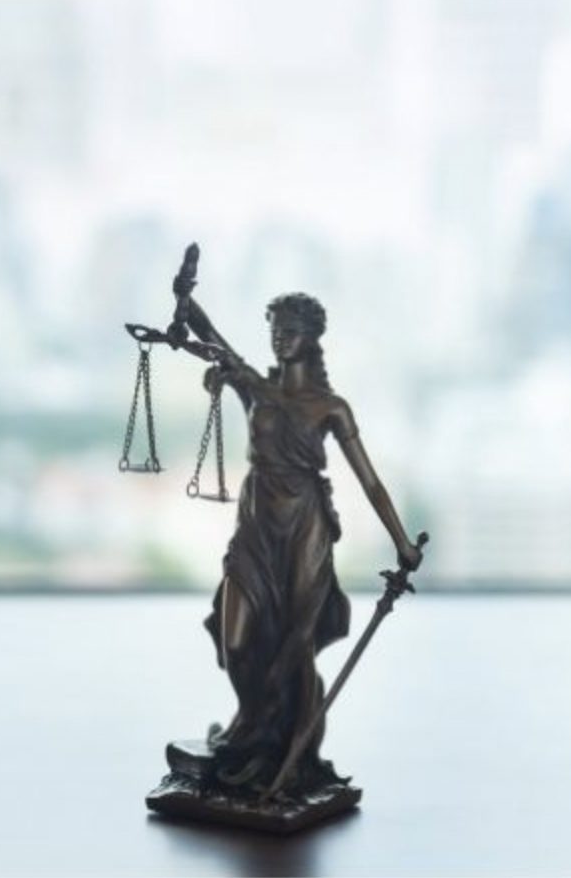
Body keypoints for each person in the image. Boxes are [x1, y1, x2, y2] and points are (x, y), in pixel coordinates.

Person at [172, 284, 423, 796]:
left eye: (290, 332)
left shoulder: (332, 407)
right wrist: (185, 302)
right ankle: (251, 726)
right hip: (256, 526)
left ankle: (286, 754)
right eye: (274, 331)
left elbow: (370, 481)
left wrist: (402, 544)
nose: (279, 339)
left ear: (312, 339)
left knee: (294, 646)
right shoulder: (254, 388)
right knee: (237, 636)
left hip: (304, 529)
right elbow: (214, 340)